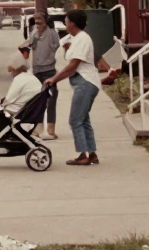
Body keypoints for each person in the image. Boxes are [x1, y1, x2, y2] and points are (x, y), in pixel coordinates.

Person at [42, 10, 115, 166]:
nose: (65, 23)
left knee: (75, 120)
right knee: (83, 120)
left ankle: (82, 155)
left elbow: (72, 67)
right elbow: (68, 55)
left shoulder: (82, 39)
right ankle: (92, 153)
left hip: (85, 82)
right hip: (86, 82)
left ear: (72, 23)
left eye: (66, 20)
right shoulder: (76, 38)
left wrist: (53, 79)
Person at [24, 16, 61, 140]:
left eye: (40, 22)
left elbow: (56, 46)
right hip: (37, 71)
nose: (38, 24)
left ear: (46, 22)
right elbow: (28, 45)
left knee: (51, 100)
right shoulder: (34, 32)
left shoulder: (52, 33)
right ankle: (37, 129)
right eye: (36, 22)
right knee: (37, 101)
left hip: (49, 70)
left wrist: (47, 54)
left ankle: (51, 129)